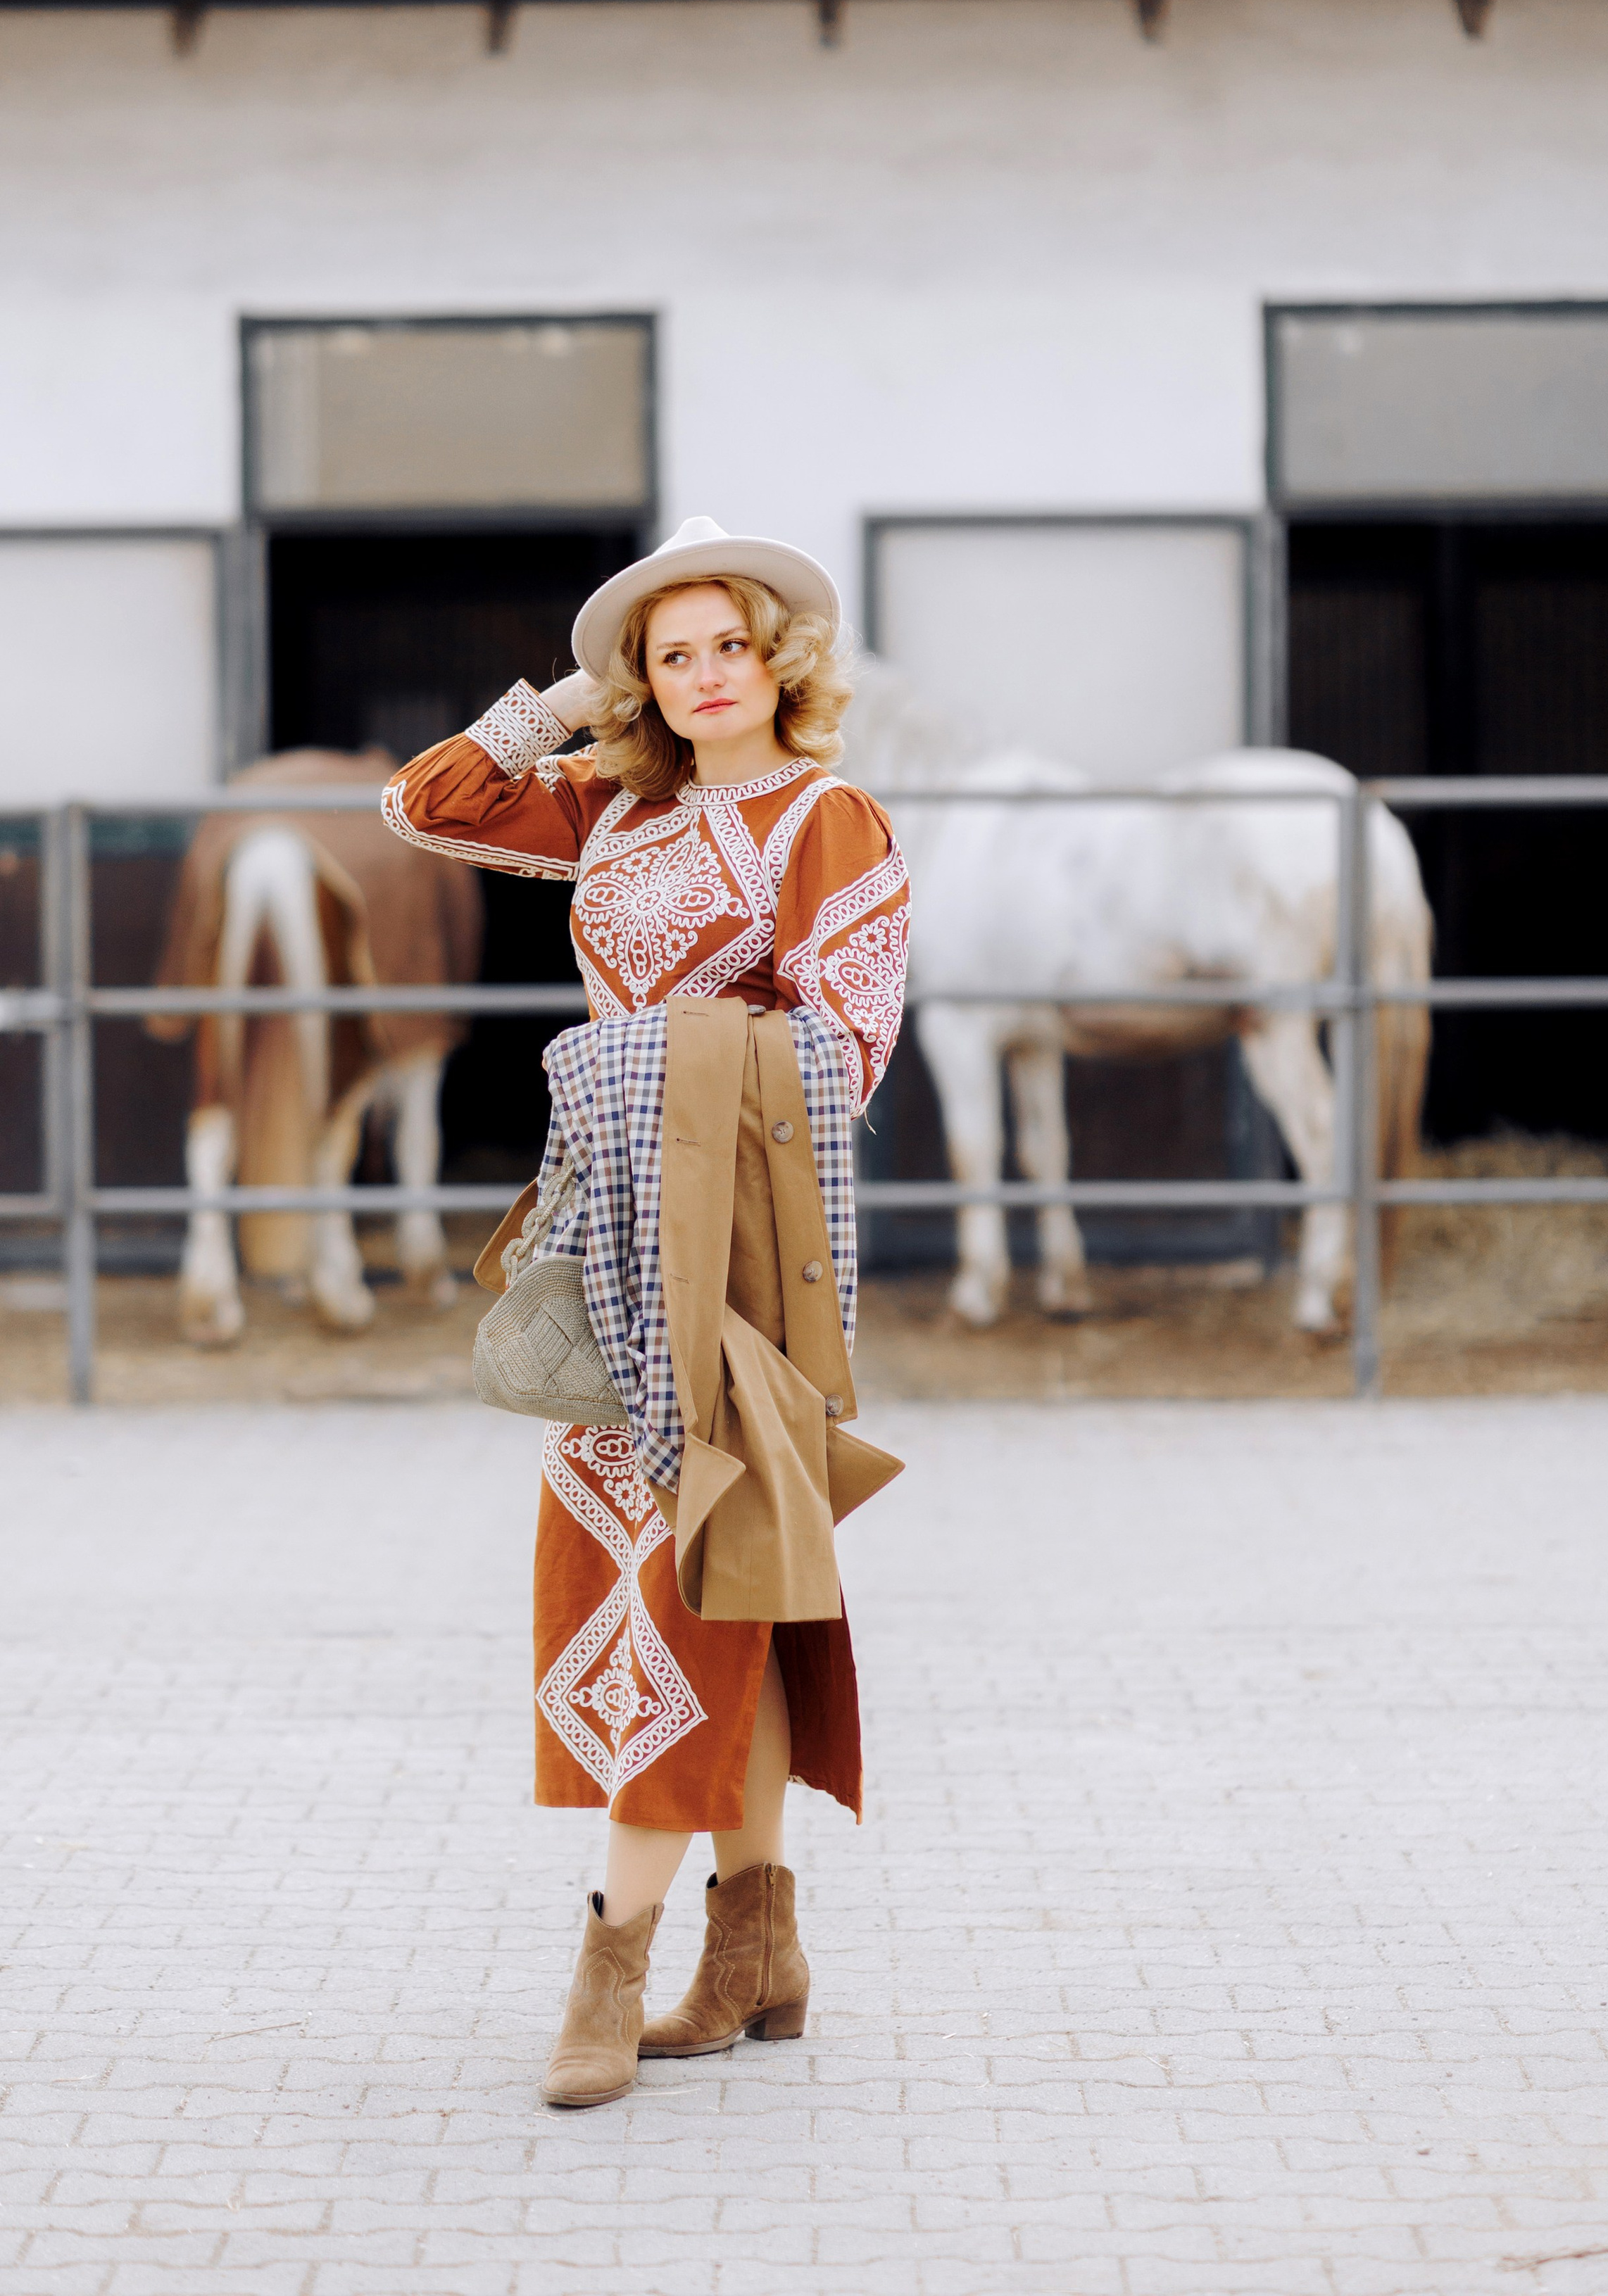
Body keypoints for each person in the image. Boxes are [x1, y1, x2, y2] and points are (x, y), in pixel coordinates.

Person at [382, 515, 910, 2107]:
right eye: (668, 655)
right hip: (608, 1223)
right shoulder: (617, 810)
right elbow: (428, 802)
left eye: (726, 647)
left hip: (739, 1241)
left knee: (687, 1580)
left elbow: (848, 1051)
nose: (698, 677)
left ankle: (609, 1967)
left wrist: (636, 1062)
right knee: (701, 1575)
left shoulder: (824, 818)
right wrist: (567, 693)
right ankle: (756, 1952)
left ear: (780, 663)